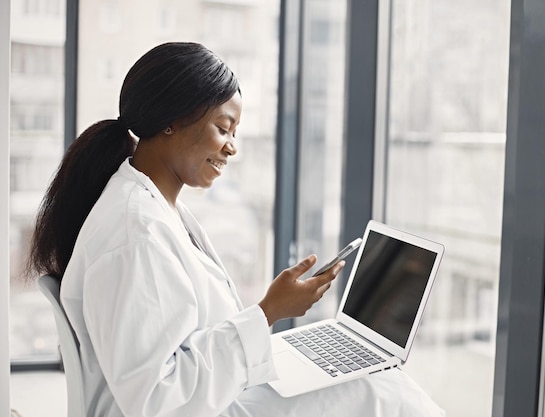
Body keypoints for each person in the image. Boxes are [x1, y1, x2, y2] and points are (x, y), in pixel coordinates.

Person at [27, 42, 444, 417]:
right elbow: (156, 399)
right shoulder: (136, 232)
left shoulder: (153, 207)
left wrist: (265, 317)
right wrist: (267, 314)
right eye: (223, 129)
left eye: (235, 132)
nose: (232, 146)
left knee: (376, 382)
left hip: (212, 395)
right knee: (384, 390)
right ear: (172, 120)